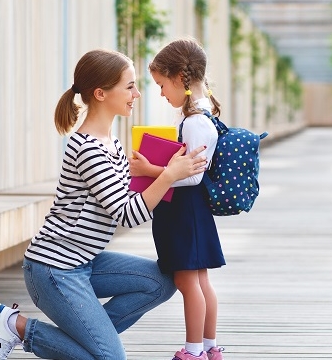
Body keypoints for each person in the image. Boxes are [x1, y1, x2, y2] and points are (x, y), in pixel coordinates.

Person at [0, 48, 208, 360]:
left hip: (86, 260)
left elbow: (127, 199)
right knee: (110, 358)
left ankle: (91, 341)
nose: (137, 94)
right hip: (54, 268)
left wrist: (158, 173)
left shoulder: (110, 143)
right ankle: (14, 326)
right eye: (129, 86)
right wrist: (168, 176)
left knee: (161, 282)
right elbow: (127, 214)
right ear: (101, 93)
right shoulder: (88, 148)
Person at [129, 38, 226, 360]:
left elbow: (192, 174)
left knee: (188, 283)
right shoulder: (200, 115)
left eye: (160, 84)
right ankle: (209, 347)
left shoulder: (196, 121)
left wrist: (149, 168)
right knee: (199, 281)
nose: (159, 93)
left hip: (185, 212)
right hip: (190, 212)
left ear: (178, 78)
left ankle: (194, 350)